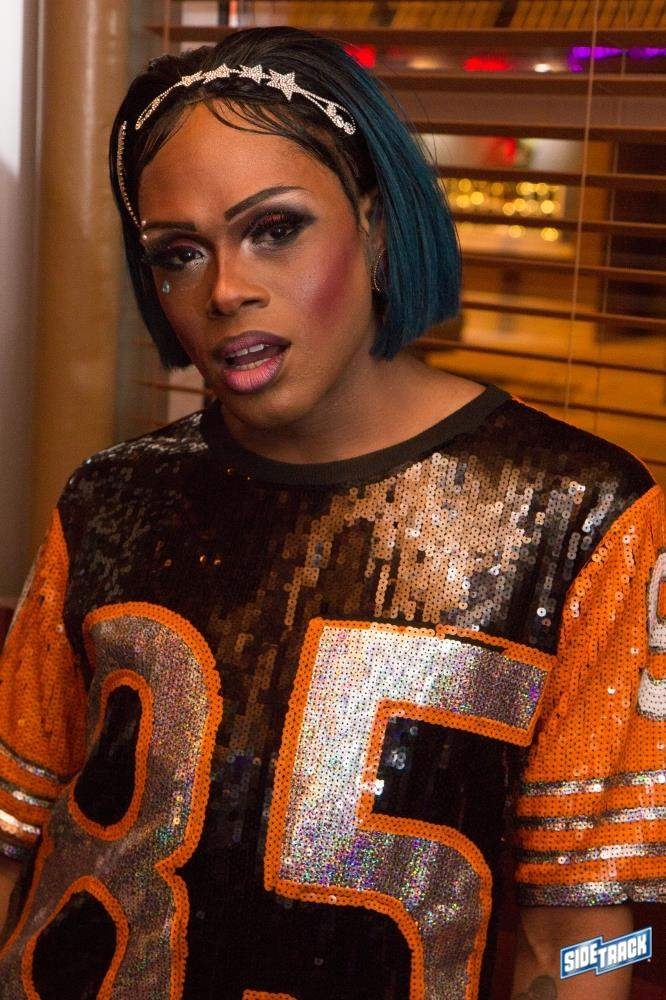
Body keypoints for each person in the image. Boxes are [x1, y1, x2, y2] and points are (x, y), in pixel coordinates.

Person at [0, 24, 663, 1000]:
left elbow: (597, 936)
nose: (226, 290)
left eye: (275, 228)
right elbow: (11, 832)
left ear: (377, 225)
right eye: (179, 253)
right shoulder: (108, 498)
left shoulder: (582, 517)